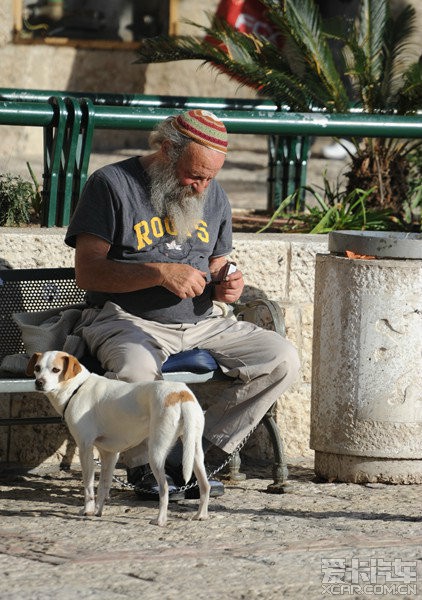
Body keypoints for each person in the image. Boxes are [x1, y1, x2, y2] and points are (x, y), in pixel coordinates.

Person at [65, 109, 300, 500]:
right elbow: (88, 273)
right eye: (195, 175)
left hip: (202, 321)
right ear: (168, 150)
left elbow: (218, 263)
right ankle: (144, 466)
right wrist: (158, 273)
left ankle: (196, 458)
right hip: (126, 318)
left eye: (210, 178)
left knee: (282, 358)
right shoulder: (111, 184)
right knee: (136, 368)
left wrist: (229, 284)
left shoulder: (213, 194)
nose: (201, 187)